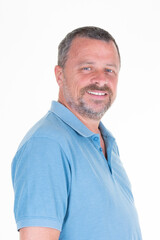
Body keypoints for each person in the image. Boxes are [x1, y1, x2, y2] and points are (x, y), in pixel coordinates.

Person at [11, 26, 142, 240]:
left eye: (110, 70)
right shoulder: (47, 144)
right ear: (59, 75)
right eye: (87, 68)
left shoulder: (107, 143)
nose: (101, 79)